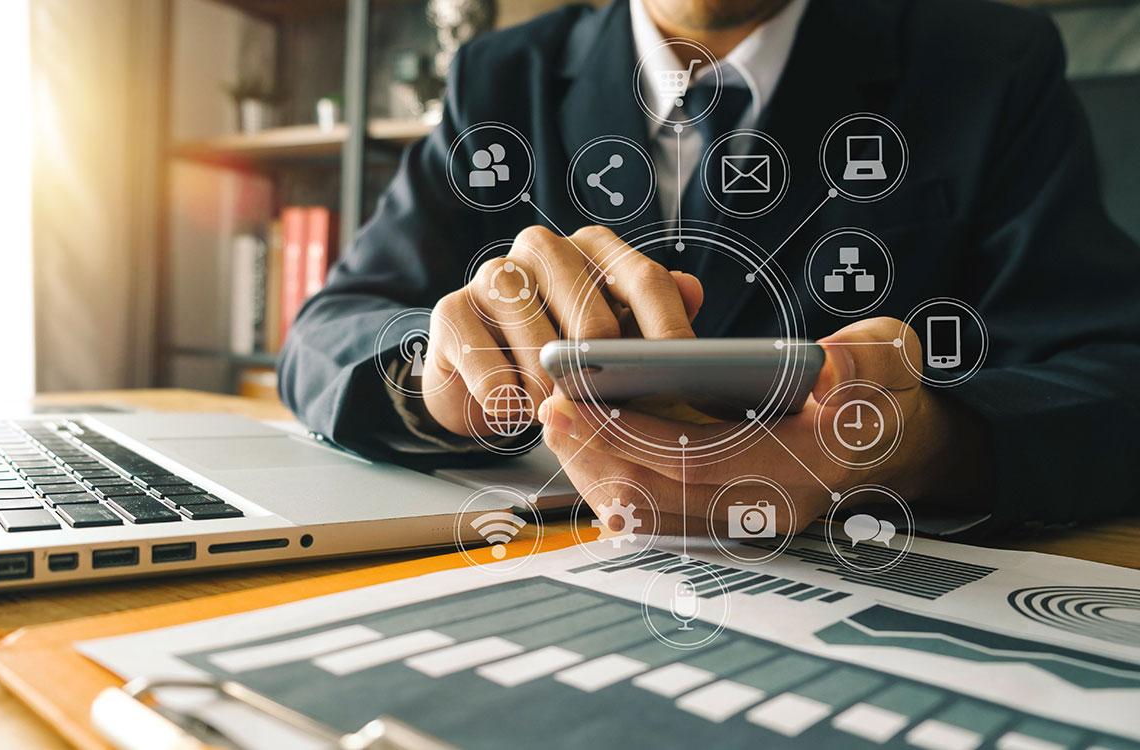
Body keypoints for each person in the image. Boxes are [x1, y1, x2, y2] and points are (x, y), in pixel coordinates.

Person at [278, 0, 1140, 537]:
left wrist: (926, 449)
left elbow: (1116, 369)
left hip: (864, 568)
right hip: (559, 551)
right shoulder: (498, 76)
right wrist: (437, 373)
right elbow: (327, 330)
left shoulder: (992, 59)